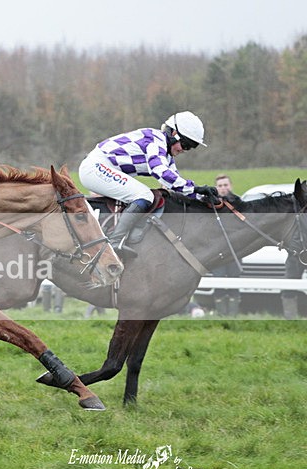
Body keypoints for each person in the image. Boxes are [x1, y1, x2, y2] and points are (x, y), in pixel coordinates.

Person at [79, 111, 217, 257]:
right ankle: (114, 241)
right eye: (185, 144)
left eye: (190, 147)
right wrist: (195, 187)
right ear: (174, 133)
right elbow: (161, 172)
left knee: (142, 194)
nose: (184, 150)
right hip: (95, 167)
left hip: (102, 168)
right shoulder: (155, 140)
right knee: (144, 195)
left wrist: (201, 197)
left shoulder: (166, 154)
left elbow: (175, 182)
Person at [211, 174, 242, 316]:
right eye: (220, 186)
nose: (223, 188)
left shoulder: (238, 202)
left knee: (234, 281)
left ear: (231, 186)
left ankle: (233, 315)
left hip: (235, 249)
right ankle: (221, 315)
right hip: (218, 251)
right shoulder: (211, 203)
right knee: (218, 281)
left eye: (225, 185)